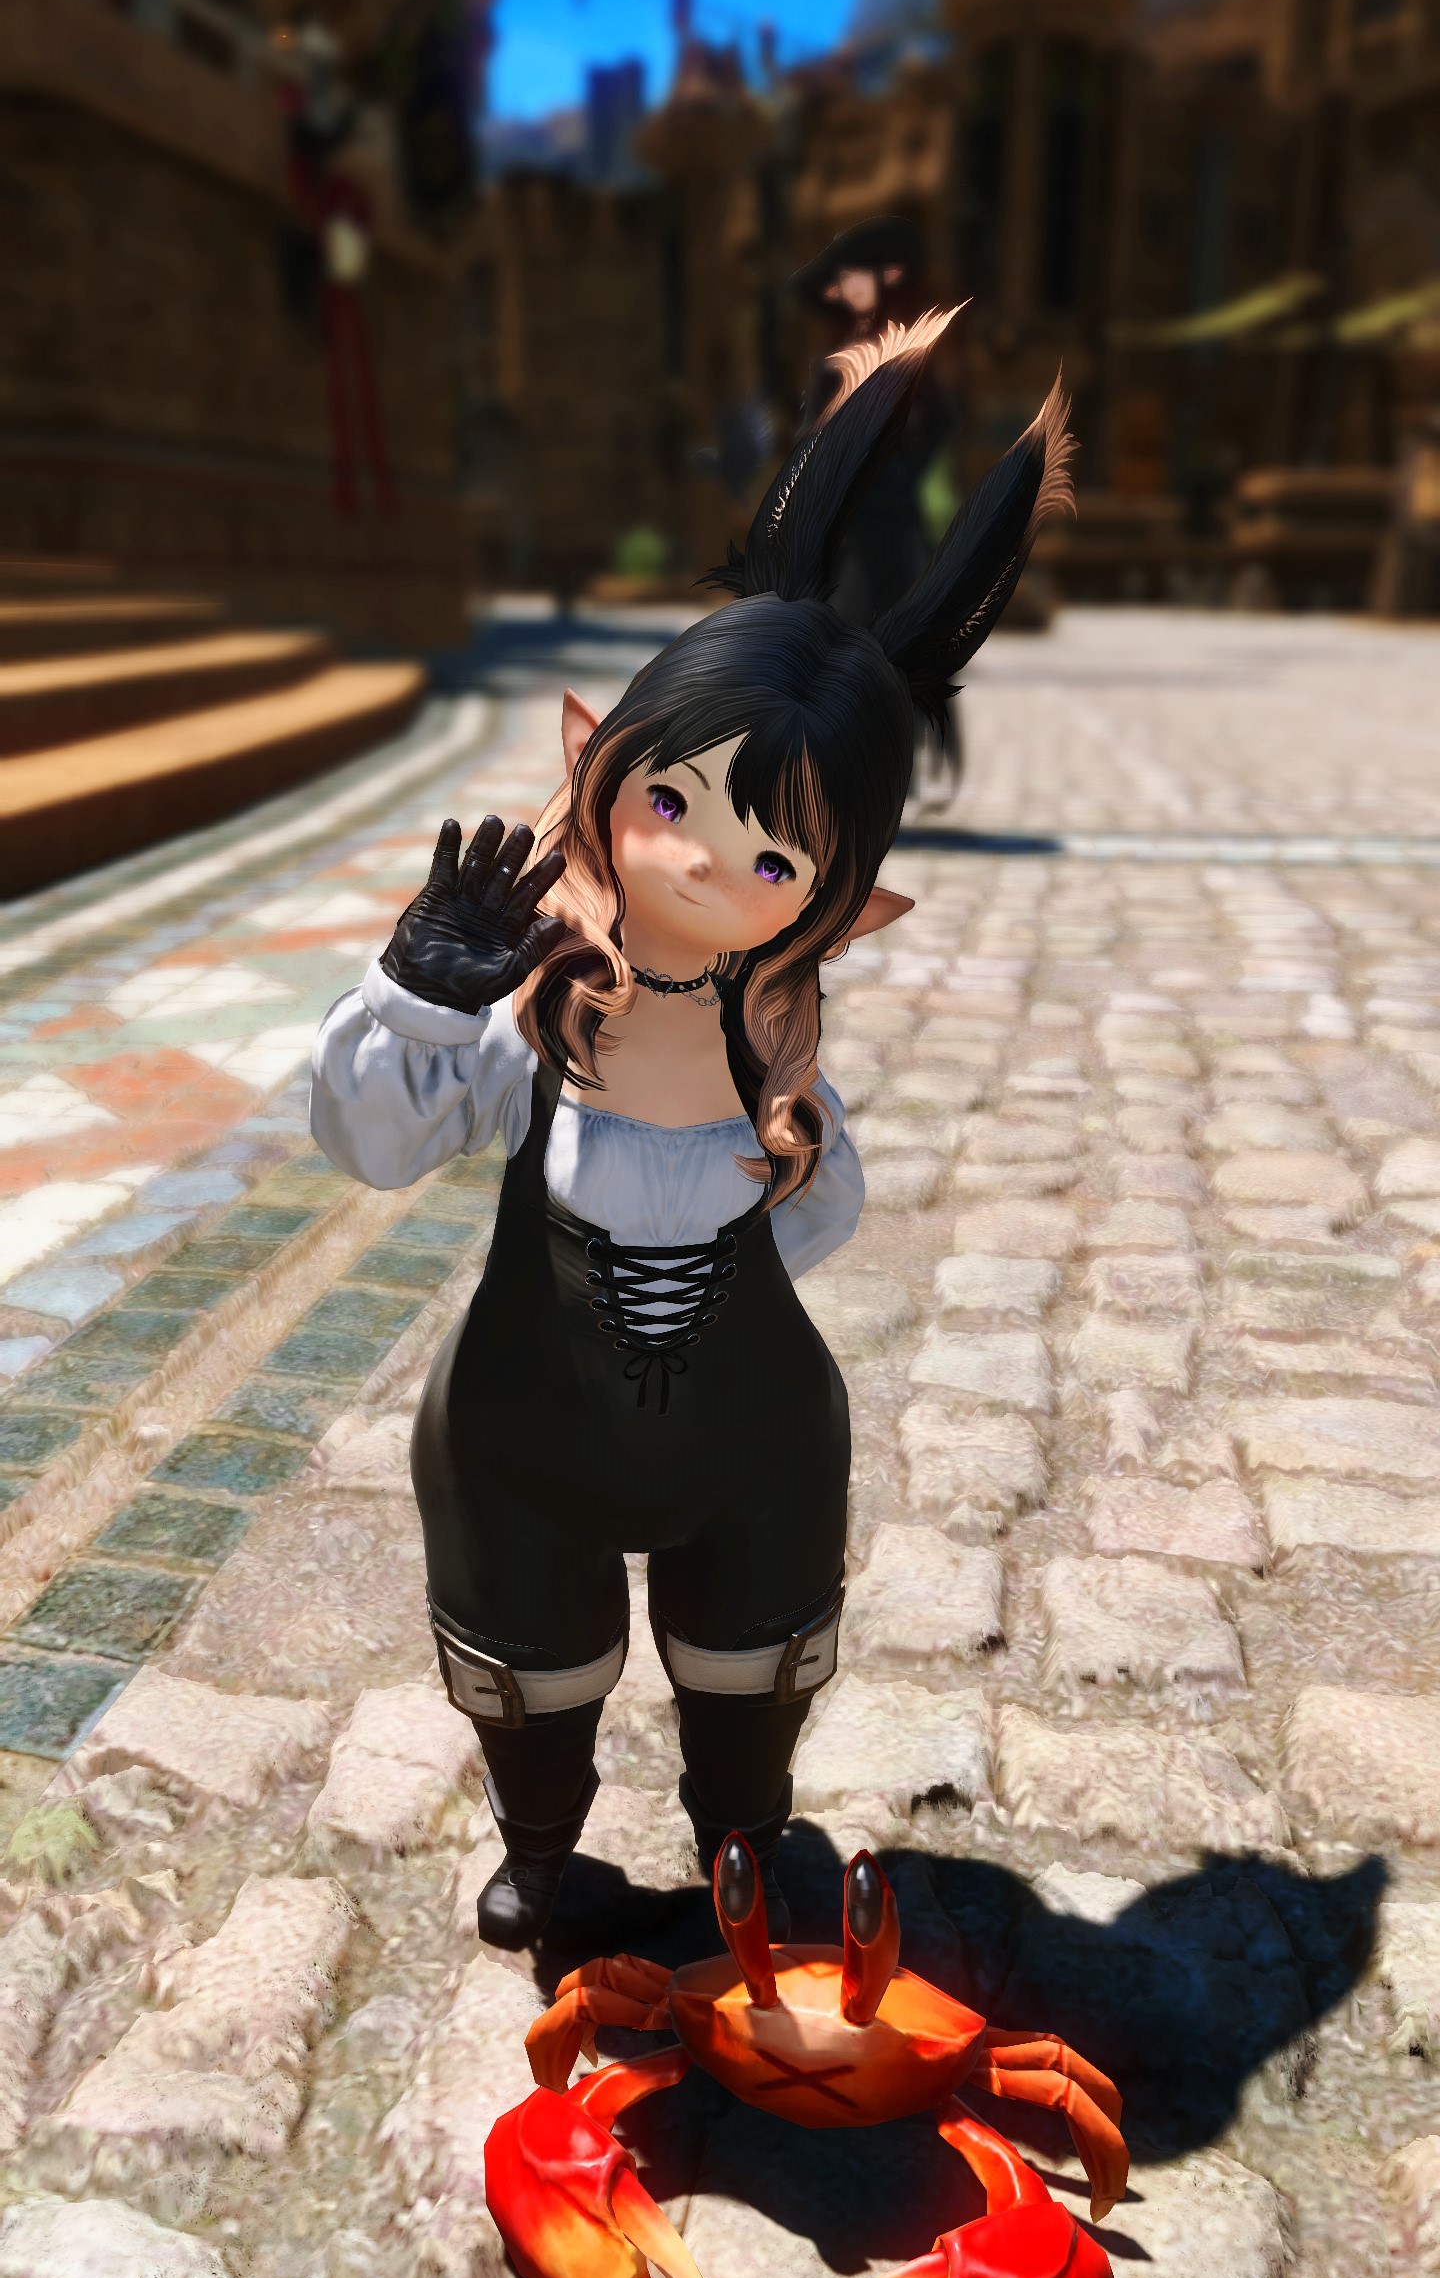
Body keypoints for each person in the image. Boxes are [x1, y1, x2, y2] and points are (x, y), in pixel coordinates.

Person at [310, 311, 1072, 1952]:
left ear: (830, 898)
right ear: (613, 767)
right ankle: (544, 1845)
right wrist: (421, 995)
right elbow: (370, 1144)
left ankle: (742, 1836)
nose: (709, 867)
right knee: (531, 1658)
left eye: (775, 862)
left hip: (752, 1436)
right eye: (674, 805)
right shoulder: (527, 1004)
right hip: (521, 1433)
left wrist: (780, 1114)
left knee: (753, 1657)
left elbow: (819, 1223)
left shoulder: (772, 1047)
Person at [793, 218, 964, 801]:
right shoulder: (833, 362)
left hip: (893, 521)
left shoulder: (908, 352)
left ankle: (893, 767)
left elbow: (941, 421)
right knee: (839, 639)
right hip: (846, 525)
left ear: (885, 279)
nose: (852, 286)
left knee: (899, 640)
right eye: (844, 279)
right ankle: (841, 768)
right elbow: (810, 437)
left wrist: (905, 471)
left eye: (860, 275)